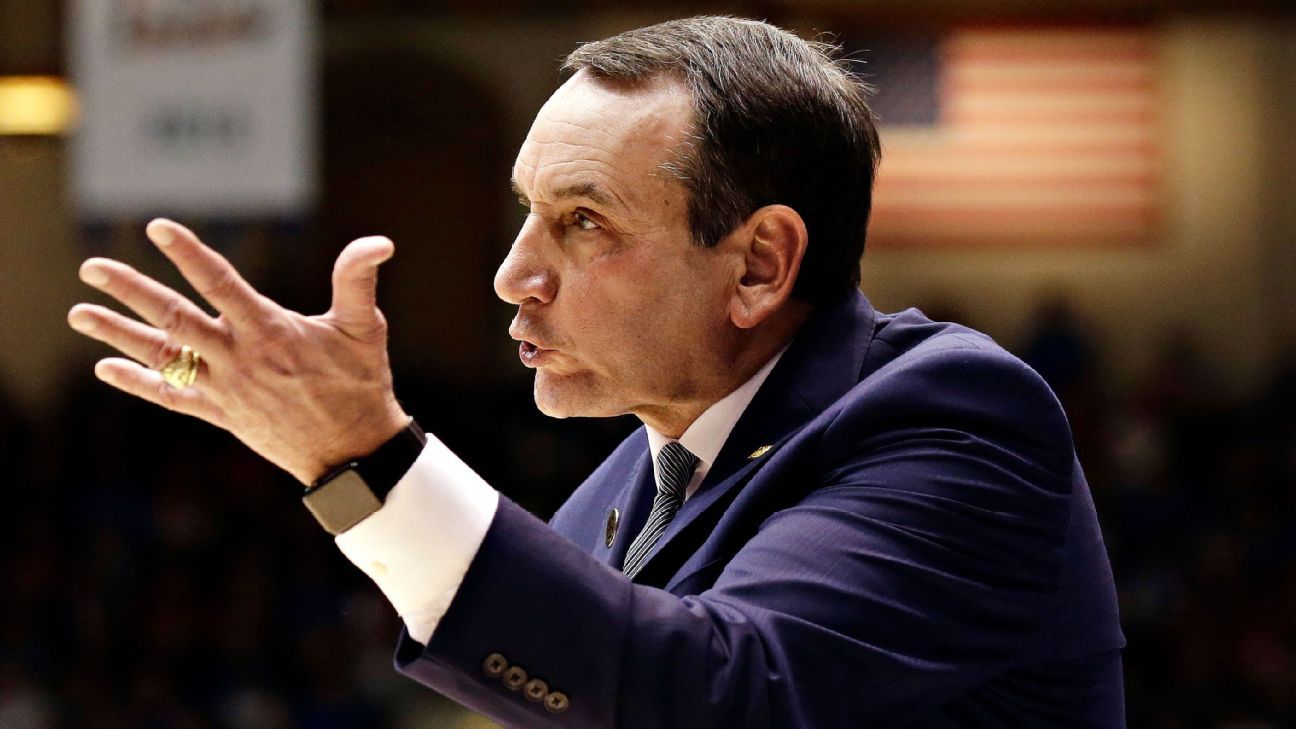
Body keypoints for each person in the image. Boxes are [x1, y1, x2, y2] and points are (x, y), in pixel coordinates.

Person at [67, 16, 1125, 729]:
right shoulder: (624, 484)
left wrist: (365, 457)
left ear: (759, 265)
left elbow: (721, 695)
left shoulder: (954, 421)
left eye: (582, 221)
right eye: (528, 212)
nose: (512, 275)